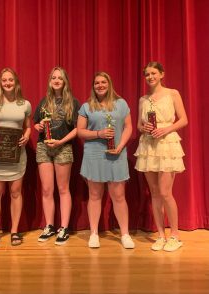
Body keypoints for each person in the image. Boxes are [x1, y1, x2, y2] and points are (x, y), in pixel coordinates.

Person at [77, 71, 135, 249]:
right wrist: (98, 134)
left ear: (109, 84)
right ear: (93, 86)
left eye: (103, 82)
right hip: (94, 155)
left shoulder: (121, 103)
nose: (100, 85)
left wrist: (121, 145)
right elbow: (80, 131)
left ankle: (125, 234)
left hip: (116, 154)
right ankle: (94, 233)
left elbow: (128, 127)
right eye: (96, 83)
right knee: (94, 195)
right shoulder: (87, 107)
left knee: (119, 196)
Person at [134, 61, 188, 252]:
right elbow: (139, 126)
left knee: (165, 192)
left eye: (153, 73)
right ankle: (160, 235)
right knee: (155, 193)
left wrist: (166, 129)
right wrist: (143, 128)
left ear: (162, 74)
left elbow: (184, 119)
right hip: (148, 145)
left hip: (167, 144)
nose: (150, 77)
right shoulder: (143, 99)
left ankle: (175, 235)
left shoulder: (172, 93)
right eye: (147, 74)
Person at [0, 68, 31, 246]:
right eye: (4, 80)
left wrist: (27, 135)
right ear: (0, 83)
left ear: (16, 82)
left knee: (16, 192)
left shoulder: (25, 104)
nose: (8, 83)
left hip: (16, 154)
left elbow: (28, 126)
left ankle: (15, 231)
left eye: (11, 80)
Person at [33, 66, 80, 245]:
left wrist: (61, 142)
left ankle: (64, 228)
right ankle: (50, 225)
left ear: (65, 81)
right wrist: (37, 127)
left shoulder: (73, 103)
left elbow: (78, 128)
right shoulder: (44, 102)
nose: (57, 80)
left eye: (60, 78)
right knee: (46, 189)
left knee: (63, 188)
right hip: (44, 147)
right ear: (50, 81)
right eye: (54, 78)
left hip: (63, 147)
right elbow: (37, 123)